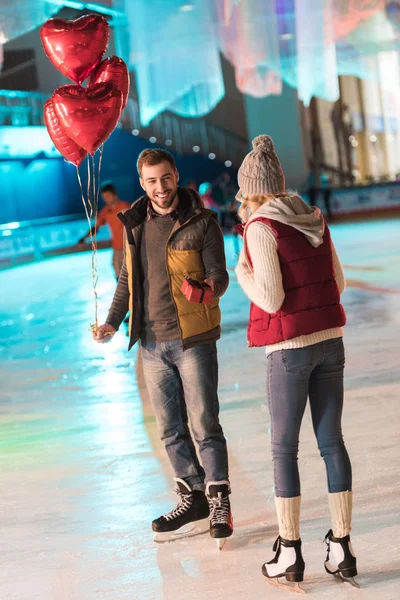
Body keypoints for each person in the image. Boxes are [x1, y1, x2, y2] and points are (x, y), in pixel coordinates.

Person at [235, 135, 357, 591]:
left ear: (252, 190)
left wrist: (242, 271)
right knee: (332, 443)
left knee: (284, 448)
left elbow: (270, 297)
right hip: (331, 342)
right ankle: (342, 546)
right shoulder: (314, 218)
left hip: (289, 351)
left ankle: (289, 551)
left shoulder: (261, 227)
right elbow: (338, 282)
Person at [94, 148, 233, 548]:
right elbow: (126, 282)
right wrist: (111, 322)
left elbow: (218, 276)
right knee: (170, 429)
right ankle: (192, 498)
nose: (160, 188)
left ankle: (218, 498)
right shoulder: (134, 225)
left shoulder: (201, 222)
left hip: (192, 340)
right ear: (142, 183)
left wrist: (207, 290)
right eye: (151, 181)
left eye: (166, 178)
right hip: (151, 344)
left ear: (176, 176)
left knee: (205, 424)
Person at [78, 183, 130, 280]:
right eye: (104, 197)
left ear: (114, 194)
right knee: (118, 275)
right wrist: (84, 238)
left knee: (131, 275)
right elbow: (96, 227)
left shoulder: (125, 207)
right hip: (117, 248)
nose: (106, 199)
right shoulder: (106, 211)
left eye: (108, 196)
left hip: (129, 247)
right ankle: (124, 295)